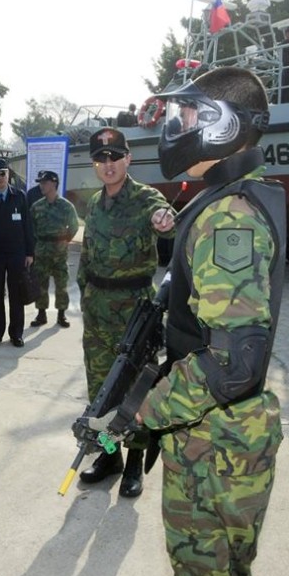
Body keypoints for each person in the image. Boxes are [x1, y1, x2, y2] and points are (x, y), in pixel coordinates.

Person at [137, 67, 285, 576]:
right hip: (218, 431)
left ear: (224, 127)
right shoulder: (227, 201)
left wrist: (146, 411)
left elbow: (233, 362)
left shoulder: (229, 220)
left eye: (190, 114)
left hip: (216, 439)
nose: (178, 126)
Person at [76, 127, 171, 499]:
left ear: (128, 159)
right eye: (101, 159)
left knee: (135, 392)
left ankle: (134, 465)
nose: (108, 164)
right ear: (95, 165)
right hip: (97, 311)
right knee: (102, 389)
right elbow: (86, 256)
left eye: (115, 157)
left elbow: (164, 219)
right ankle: (110, 457)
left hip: (133, 312)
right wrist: (84, 293)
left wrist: (165, 221)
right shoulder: (95, 204)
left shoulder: (146, 198)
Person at [0, 157, 33, 348]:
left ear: (8, 174)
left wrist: (30, 252)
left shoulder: (19, 196)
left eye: (2, 173)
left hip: (16, 254)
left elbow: (28, 225)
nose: (0, 177)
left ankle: (16, 333)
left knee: (16, 296)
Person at [29, 170, 78, 328]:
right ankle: (41, 314)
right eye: (40, 183)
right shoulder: (37, 206)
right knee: (41, 284)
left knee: (61, 284)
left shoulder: (66, 206)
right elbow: (31, 228)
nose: (41, 186)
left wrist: (63, 241)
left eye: (44, 182)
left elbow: (74, 226)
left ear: (54, 183)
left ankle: (61, 315)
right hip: (41, 250)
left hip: (59, 251)